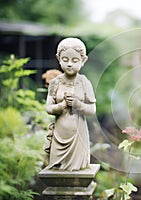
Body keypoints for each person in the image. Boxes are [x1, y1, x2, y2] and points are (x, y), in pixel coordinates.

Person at [45, 37, 96, 171]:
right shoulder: (55, 83)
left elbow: (92, 109)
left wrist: (77, 104)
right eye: (65, 59)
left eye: (75, 60)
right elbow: (48, 108)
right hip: (59, 133)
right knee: (57, 170)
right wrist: (61, 106)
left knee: (77, 170)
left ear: (83, 61)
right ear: (58, 59)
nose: (69, 64)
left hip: (78, 135)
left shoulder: (84, 83)